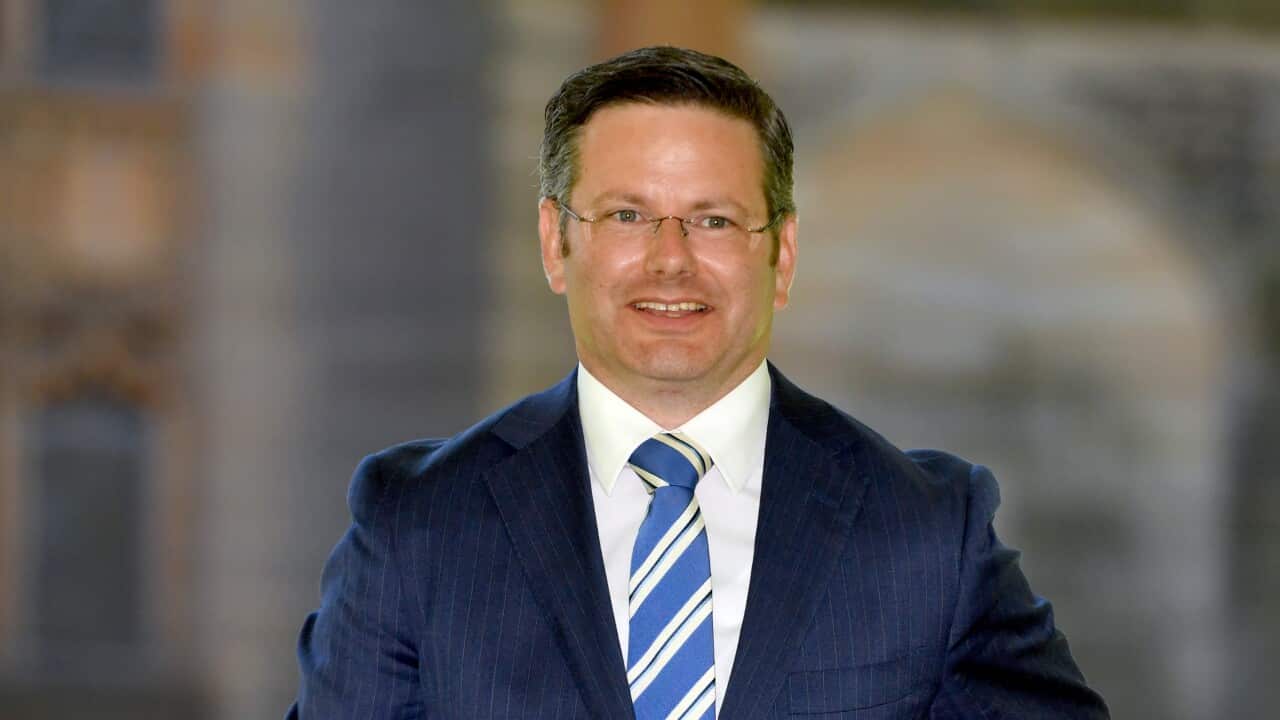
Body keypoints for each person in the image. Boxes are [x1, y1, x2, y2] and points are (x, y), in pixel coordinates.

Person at [288, 46, 1109, 719]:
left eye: (714, 219)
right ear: (554, 242)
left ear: (782, 254)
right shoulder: (418, 526)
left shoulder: (929, 534)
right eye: (627, 216)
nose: (671, 259)